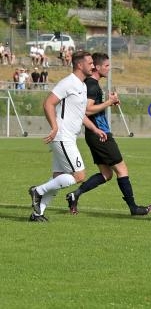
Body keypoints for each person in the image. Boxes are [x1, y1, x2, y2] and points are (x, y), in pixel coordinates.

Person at [65, 53, 151, 216]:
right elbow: (86, 109)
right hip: (100, 134)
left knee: (106, 174)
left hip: (95, 134)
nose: (109, 69)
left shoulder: (90, 84)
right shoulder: (92, 85)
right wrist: (108, 102)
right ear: (97, 67)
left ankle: (75, 195)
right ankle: (133, 208)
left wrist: (107, 103)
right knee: (122, 169)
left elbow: (90, 108)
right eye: (106, 66)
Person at [28, 51, 107, 222]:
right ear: (80, 65)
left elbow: (81, 114)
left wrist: (94, 129)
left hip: (68, 137)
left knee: (58, 179)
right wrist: (55, 126)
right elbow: (48, 103)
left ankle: (37, 214)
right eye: (90, 63)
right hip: (63, 136)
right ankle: (38, 191)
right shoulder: (67, 83)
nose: (93, 65)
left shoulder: (83, 86)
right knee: (79, 176)